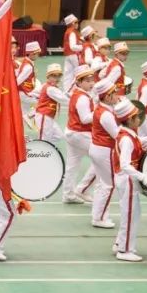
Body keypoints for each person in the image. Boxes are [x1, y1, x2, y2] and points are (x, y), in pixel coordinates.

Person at [111, 98, 147, 262]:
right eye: (136, 117)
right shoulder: (126, 138)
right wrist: (143, 177)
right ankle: (125, 250)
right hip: (127, 179)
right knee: (130, 214)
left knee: (133, 213)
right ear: (129, 119)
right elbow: (125, 164)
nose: (139, 119)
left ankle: (120, 243)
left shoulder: (127, 133)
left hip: (127, 178)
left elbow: (138, 143)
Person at [88, 76, 121, 229]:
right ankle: (99, 218)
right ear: (107, 96)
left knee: (102, 184)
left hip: (97, 148)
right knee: (110, 184)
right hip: (104, 150)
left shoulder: (103, 109)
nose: (118, 95)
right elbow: (117, 135)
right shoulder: (106, 114)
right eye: (115, 93)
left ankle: (98, 214)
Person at [61, 64, 98, 203]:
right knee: (101, 159)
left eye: (91, 80)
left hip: (73, 133)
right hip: (81, 134)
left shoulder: (79, 94)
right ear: (79, 82)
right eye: (87, 81)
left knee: (72, 166)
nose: (91, 83)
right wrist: (99, 112)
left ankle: (68, 194)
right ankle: (82, 189)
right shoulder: (82, 97)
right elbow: (85, 118)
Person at [33, 64, 69, 142]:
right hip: (44, 116)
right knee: (44, 139)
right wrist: (75, 99)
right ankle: (39, 150)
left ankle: (45, 148)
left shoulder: (47, 86)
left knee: (58, 136)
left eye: (58, 76)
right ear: (48, 77)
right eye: (54, 76)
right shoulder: (50, 88)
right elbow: (64, 100)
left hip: (49, 117)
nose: (56, 78)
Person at [60, 14, 81, 91]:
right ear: (73, 23)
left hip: (68, 55)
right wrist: (83, 47)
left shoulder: (68, 31)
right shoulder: (72, 32)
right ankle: (75, 89)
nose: (78, 24)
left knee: (68, 74)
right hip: (74, 55)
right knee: (79, 73)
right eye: (76, 22)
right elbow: (73, 46)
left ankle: (67, 91)